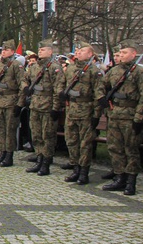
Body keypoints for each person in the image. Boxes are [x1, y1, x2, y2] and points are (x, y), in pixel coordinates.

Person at [15, 40, 65, 177]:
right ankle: (39, 158)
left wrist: (55, 108)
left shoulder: (55, 67)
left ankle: (46, 162)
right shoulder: (34, 66)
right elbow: (24, 79)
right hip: (35, 104)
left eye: (43, 50)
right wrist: (25, 87)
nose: (40, 52)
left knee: (47, 136)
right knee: (36, 135)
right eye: (40, 50)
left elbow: (58, 89)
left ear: (50, 51)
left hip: (48, 106)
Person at [100, 39, 142, 195]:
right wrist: (102, 99)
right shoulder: (114, 71)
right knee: (115, 147)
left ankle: (131, 181)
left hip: (130, 116)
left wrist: (139, 118)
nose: (122, 55)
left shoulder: (139, 72)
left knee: (131, 149)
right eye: (121, 53)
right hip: (114, 114)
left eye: (125, 53)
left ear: (133, 54)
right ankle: (119, 177)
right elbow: (101, 86)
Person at [60, 41, 104, 184]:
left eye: (82, 50)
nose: (78, 52)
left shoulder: (94, 71)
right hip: (71, 109)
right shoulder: (71, 68)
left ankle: (84, 171)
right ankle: (76, 168)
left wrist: (96, 115)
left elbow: (99, 94)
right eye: (77, 50)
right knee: (71, 140)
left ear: (90, 54)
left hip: (86, 110)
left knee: (84, 143)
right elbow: (63, 83)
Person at [0, 40, 24, 167]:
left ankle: (9, 155)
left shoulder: (16, 65)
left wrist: (20, 104)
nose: (3, 52)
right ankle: (1, 152)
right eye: (2, 50)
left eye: (6, 50)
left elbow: (22, 84)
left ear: (12, 51)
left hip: (11, 100)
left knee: (10, 129)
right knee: (0, 129)